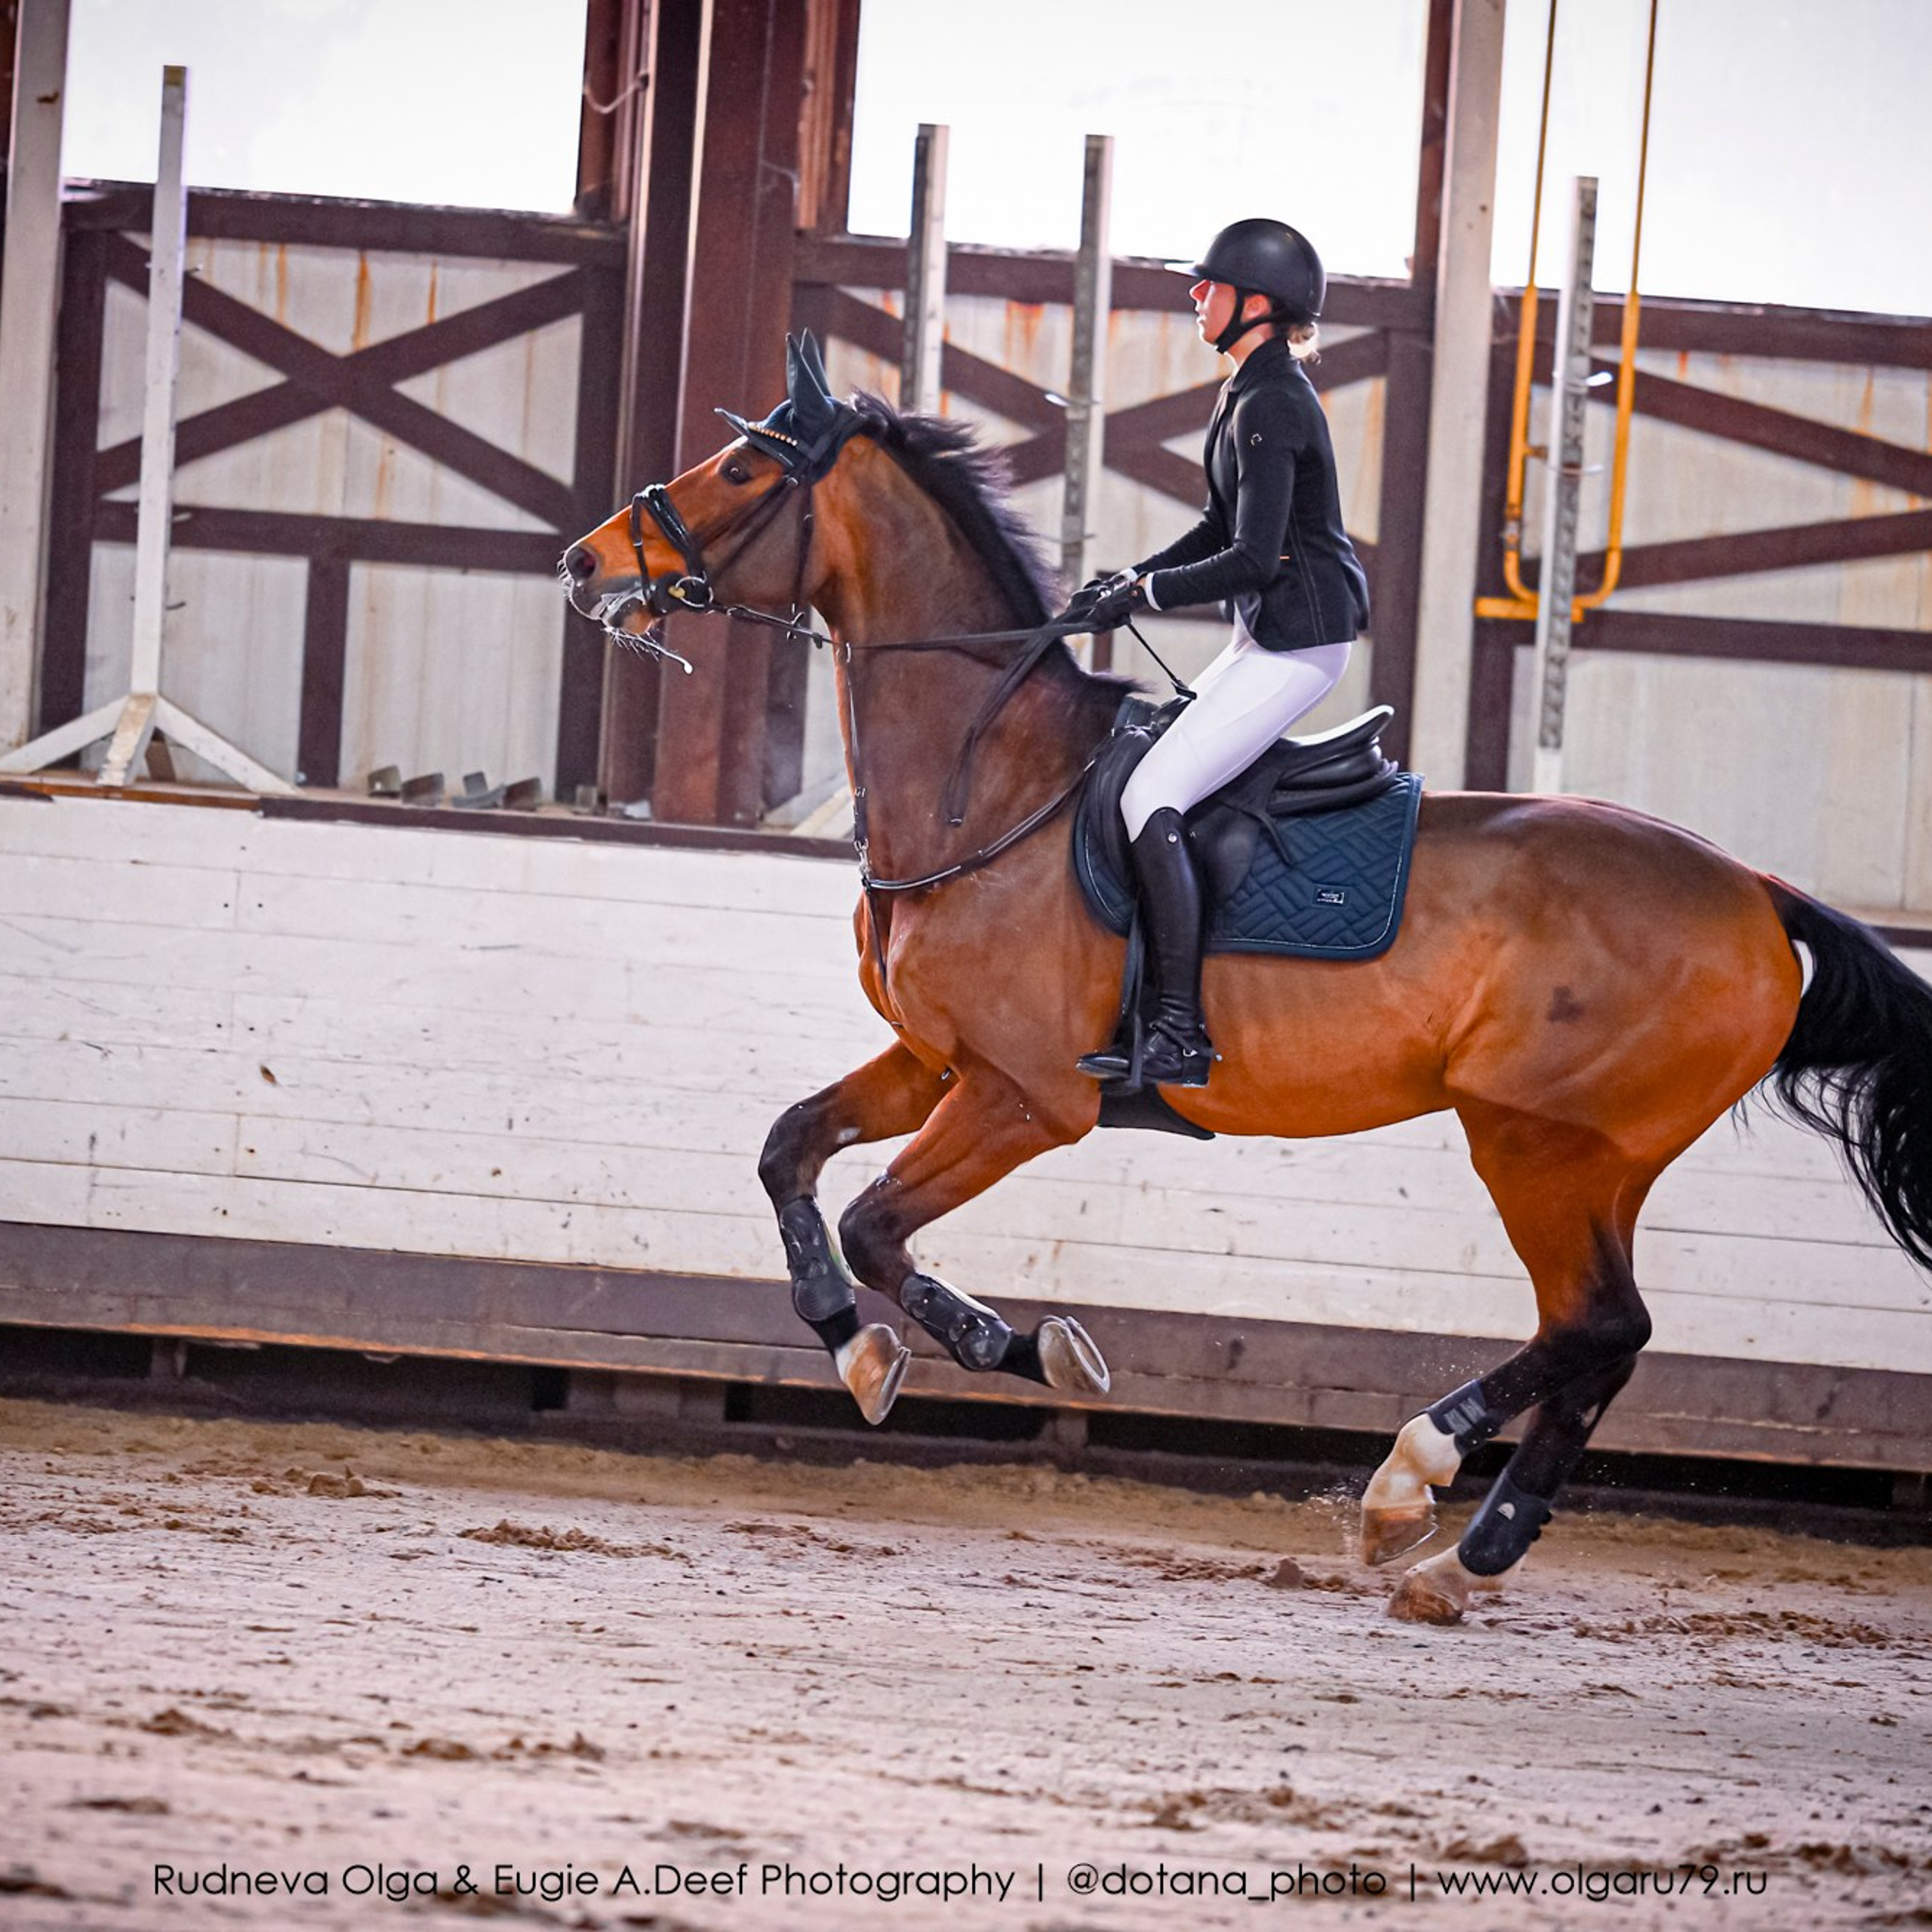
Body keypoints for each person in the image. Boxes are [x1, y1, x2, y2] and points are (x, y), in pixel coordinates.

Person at [1069, 217, 1371, 1090]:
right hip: (1263, 635)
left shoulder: (1274, 402)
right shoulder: (1245, 389)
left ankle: (1178, 1032)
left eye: (1211, 285)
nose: (1195, 295)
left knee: (1151, 791)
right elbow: (1214, 527)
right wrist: (1130, 577)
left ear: (1258, 304)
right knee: (1143, 769)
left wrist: (1145, 596)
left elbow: (1251, 559)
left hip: (1299, 645)